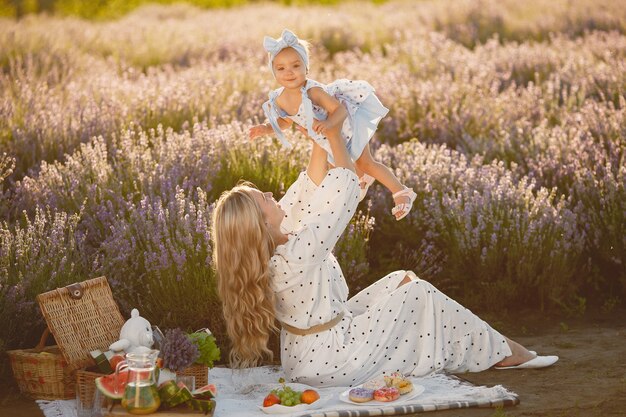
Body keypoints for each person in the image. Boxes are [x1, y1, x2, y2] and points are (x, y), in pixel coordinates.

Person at [212, 119, 558, 387]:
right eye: (265, 199)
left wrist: (319, 127)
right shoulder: (292, 256)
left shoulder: (277, 240)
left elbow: (309, 187)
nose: (273, 194)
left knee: (402, 280)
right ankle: (503, 352)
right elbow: (339, 191)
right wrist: (334, 135)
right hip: (331, 359)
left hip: (316, 348)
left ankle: (480, 347)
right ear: (259, 222)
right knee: (419, 293)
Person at [248, 29, 416, 221]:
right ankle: (359, 180)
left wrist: (329, 123)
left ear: (306, 68)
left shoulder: (312, 92)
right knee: (335, 170)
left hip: (346, 127)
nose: (289, 72)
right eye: (281, 68)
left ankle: (401, 191)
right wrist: (266, 128)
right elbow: (286, 121)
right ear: (273, 72)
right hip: (325, 137)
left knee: (365, 162)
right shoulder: (279, 100)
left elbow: (341, 109)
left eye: (296, 65)